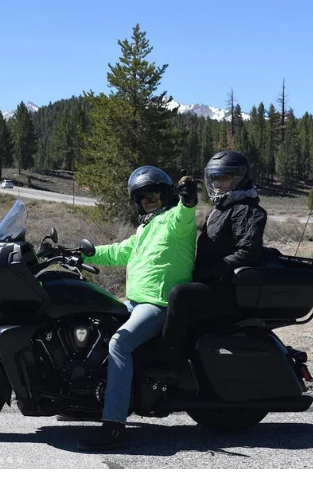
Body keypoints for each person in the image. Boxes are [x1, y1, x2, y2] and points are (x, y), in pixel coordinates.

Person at [75, 165, 198, 452]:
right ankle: (83, 402)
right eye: (142, 197)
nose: (148, 199)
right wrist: (83, 252)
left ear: (165, 194)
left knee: (120, 343)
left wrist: (189, 198)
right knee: (96, 329)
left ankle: (114, 426)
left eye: (153, 193)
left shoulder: (174, 221)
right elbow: (120, 250)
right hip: (134, 302)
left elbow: (186, 213)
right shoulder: (145, 228)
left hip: (157, 304)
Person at [159, 150, 268, 370]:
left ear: (239, 178)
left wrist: (213, 271)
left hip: (229, 289)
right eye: (215, 177)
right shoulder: (221, 208)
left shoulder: (246, 209)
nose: (218, 183)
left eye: (224, 177)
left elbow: (248, 252)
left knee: (179, 295)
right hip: (213, 282)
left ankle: (169, 361)